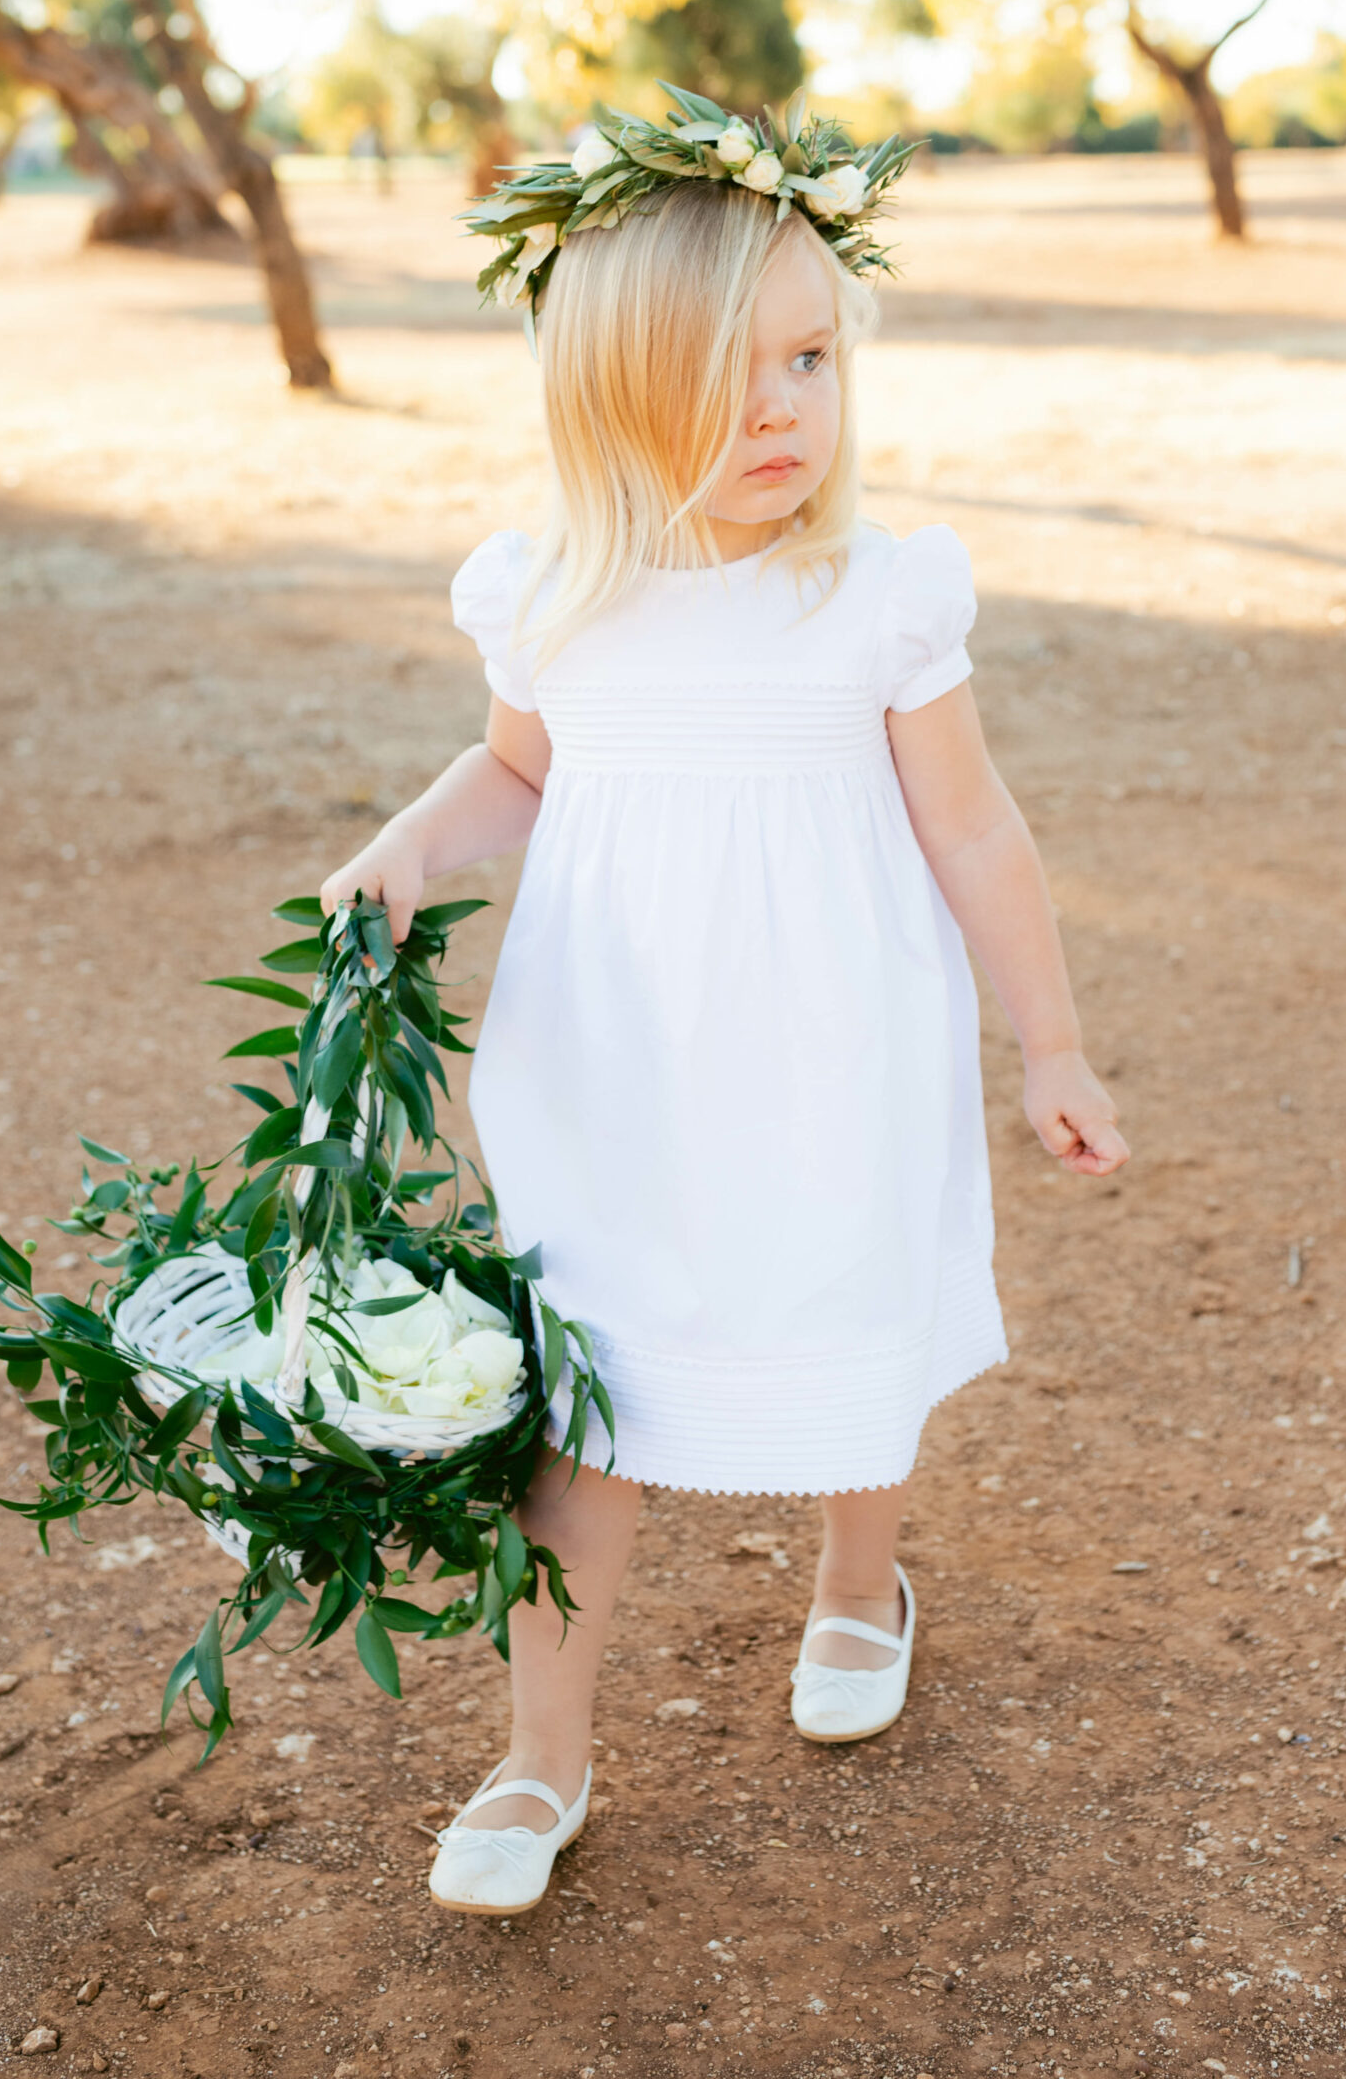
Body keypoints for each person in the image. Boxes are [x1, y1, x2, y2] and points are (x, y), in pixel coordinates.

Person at [320, 96, 1128, 1916]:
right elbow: (514, 780)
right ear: (607, 390)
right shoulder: (557, 599)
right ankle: (543, 1754)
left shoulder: (877, 599)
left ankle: (861, 1583)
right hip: (612, 1071)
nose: (782, 411)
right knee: (581, 1403)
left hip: (837, 1053)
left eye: (813, 359)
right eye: (728, 371)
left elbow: (976, 826)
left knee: (851, 1323)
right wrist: (407, 850)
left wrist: (1049, 1039)